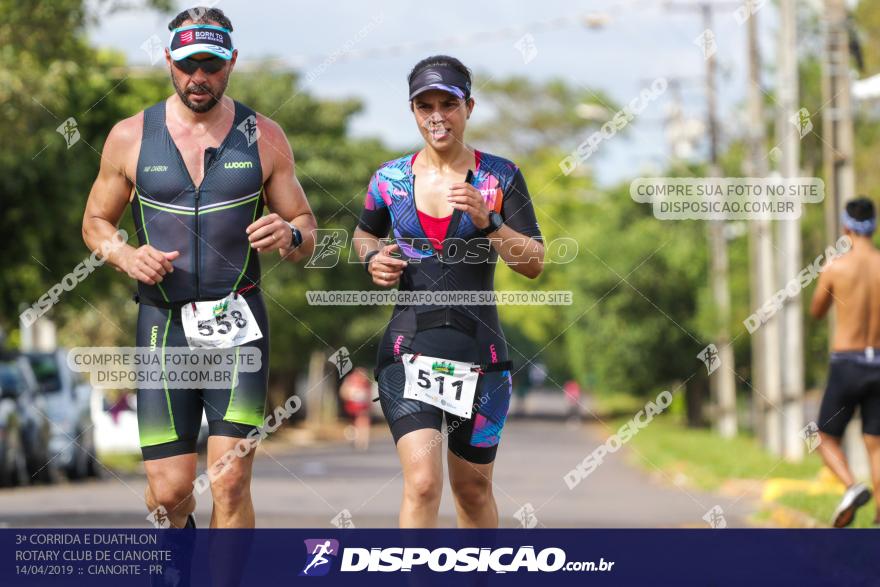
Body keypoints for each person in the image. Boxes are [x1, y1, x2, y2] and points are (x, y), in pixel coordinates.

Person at [82, 6, 316, 531]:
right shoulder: (130, 136)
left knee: (230, 483)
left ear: (231, 62)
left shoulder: (265, 136)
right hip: (163, 327)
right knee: (168, 495)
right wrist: (124, 254)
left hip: (239, 328)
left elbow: (306, 226)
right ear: (168, 60)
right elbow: (96, 221)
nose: (199, 78)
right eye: (188, 65)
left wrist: (291, 233)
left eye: (211, 65)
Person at [353, 55, 544, 528]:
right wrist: (372, 258)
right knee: (421, 484)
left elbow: (534, 262)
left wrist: (490, 221)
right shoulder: (389, 180)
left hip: (482, 355)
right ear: (413, 111)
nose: (437, 115)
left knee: (473, 491)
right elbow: (363, 234)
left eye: (448, 104)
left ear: (469, 107)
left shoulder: (501, 177)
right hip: (408, 351)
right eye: (425, 105)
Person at [810, 197, 880, 528]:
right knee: (876, 444)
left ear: (845, 226)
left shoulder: (836, 266)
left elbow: (817, 310)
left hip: (847, 364)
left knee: (821, 436)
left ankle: (852, 487)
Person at [340, 367, 373, 451]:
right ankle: (354, 436)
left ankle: (362, 441)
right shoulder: (350, 380)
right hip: (352, 405)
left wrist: (369, 403)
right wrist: (350, 395)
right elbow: (343, 392)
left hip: (362, 406)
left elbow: (368, 393)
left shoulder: (365, 382)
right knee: (354, 423)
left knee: (363, 421)